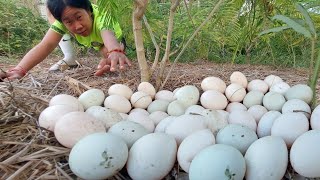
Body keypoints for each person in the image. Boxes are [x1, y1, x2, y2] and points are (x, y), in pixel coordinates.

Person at [0, 0, 131, 81]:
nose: (77, 26)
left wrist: (115, 50)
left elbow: (107, 33)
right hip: (96, 41)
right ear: (62, 21)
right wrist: (19, 70)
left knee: (107, 54)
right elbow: (46, 45)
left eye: (79, 17)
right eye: (69, 22)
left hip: (115, 41)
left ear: (89, 10)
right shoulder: (62, 22)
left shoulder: (102, 16)